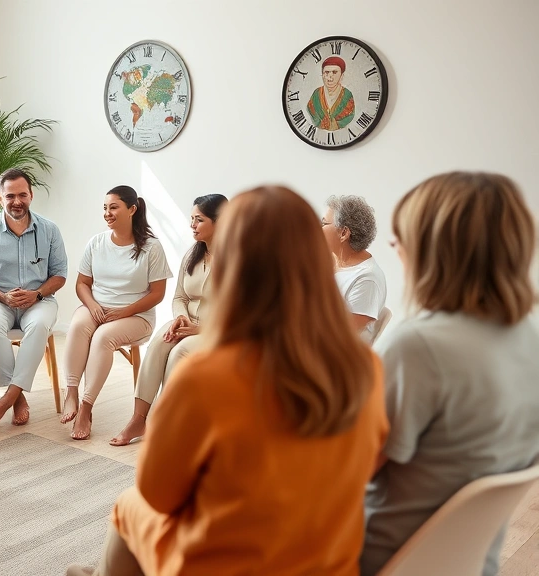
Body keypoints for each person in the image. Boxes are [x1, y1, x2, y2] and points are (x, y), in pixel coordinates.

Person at [68, 186, 388, 576]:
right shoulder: (367, 371)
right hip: (323, 561)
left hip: (231, 564)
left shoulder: (209, 377)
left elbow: (157, 491)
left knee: (131, 505)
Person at [361, 172, 539, 576]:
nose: (393, 244)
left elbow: (347, 470)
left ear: (436, 249)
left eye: (403, 233)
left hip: (378, 558)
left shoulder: (418, 344)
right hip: (470, 564)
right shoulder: (530, 335)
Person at [110, 194, 228, 447]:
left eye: (199, 220)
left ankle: (167, 421)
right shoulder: (193, 254)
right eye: (192, 219)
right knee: (159, 344)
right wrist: (181, 319)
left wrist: (200, 328)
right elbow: (179, 296)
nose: (192, 225)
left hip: (219, 330)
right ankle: (138, 419)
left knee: (179, 354)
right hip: (187, 322)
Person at [61, 185, 172, 441]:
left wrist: (123, 312)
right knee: (78, 326)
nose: (107, 213)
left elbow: (157, 294)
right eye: (105, 208)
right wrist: (93, 306)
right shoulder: (97, 243)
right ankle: (71, 392)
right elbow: (82, 284)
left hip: (136, 316)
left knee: (102, 338)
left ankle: (86, 409)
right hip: (97, 307)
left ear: (132, 209)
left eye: (113, 207)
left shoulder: (151, 248)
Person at [0, 168, 68, 426]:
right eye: (10, 195)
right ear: (0, 198)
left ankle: (9, 396)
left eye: (22, 195)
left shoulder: (50, 230)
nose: (17, 201)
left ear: (31, 195)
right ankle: (18, 397)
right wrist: (3, 297)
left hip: (39, 300)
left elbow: (59, 275)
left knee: (38, 326)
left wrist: (36, 294)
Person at [321, 194, 387, 341]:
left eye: (324, 224)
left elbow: (340, 335)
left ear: (343, 233)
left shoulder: (368, 279)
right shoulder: (332, 264)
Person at [307, 56, 356, 131]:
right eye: (326, 72)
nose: (330, 76)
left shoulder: (347, 95)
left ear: (341, 76)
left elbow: (349, 117)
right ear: (322, 75)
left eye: (334, 72)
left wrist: (337, 125)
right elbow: (312, 113)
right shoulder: (316, 94)